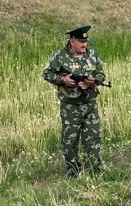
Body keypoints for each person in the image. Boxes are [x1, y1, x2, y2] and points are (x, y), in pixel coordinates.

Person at [42, 25, 106, 176]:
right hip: (70, 107)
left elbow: (101, 75)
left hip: (90, 104)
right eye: (80, 41)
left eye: (86, 41)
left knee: (93, 138)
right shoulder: (60, 56)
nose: (84, 44)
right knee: (70, 141)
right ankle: (73, 173)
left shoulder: (92, 55)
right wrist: (62, 80)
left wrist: (92, 81)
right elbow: (46, 74)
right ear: (71, 41)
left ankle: (94, 172)